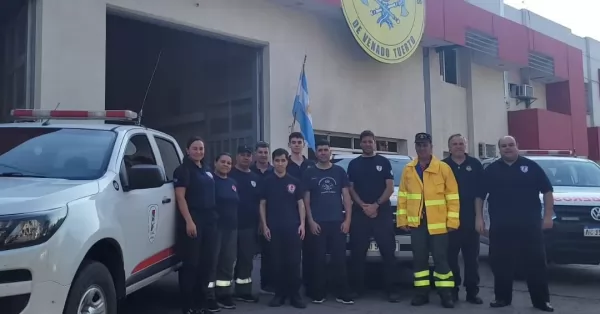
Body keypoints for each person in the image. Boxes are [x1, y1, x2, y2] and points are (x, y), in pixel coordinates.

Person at [475, 136, 554, 312]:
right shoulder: (492, 170)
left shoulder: (531, 167)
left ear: (517, 146)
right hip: (501, 226)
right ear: (499, 149)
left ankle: (541, 301)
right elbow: (480, 196)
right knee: (501, 263)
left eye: (511, 145)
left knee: (536, 263)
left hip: (530, 225)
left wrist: (548, 216)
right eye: (504, 146)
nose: (507, 148)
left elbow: (548, 191)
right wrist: (479, 218)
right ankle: (502, 298)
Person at [397, 132, 459, 308]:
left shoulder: (443, 168)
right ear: (415, 147)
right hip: (417, 224)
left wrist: (452, 221)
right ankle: (421, 293)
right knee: (419, 260)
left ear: (431, 147)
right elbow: (403, 196)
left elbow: (453, 197)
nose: (422, 148)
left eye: (425, 145)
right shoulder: (409, 169)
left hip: (439, 224)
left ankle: (445, 294)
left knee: (440, 259)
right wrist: (402, 220)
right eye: (419, 145)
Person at [347, 130, 399, 302]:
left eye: (371, 141)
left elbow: (390, 187)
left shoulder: (384, 162)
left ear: (374, 143)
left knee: (388, 252)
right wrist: (363, 205)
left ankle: (391, 290)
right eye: (365, 141)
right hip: (359, 213)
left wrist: (376, 205)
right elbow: (351, 188)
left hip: (381, 212)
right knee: (357, 253)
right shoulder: (354, 164)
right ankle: (356, 289)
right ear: (360, 144)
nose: (368, 144)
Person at [302, 140, 354, 305]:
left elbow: (346, 198)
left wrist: (347, 220)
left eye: (326, 150)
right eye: (320, 150)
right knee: (317, 260)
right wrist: (310, 221)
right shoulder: (309, 172)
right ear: (316, 153)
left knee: (339, 260)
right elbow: (306, 200)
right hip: (317, 223)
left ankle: (342, 293)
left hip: (337, 222)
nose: (323, 152)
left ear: (330, 152)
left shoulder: (339, 171)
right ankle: (318, 293)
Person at [174, 137, 218, 314]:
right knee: (191, 264)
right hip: (194, 219)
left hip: (210, 220)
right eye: (195, 148)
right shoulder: (182, 170)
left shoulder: (206, 169)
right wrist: (189, 221)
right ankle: (188, 306)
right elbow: (180, 197)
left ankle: (201, 304)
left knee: (206, 264)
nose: (199, 151)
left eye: (201, 148)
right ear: (187, 150)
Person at [259, 148, 307, 309]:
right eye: (277, 160)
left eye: (283, 160)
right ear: (273, 162)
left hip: (292, 228)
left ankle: (295, 295)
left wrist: (302, 224)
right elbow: (262, 204)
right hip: (273, 228)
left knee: (293, 262)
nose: (280, 163)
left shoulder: (294, 181)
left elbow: (301, 204)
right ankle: (279, 295)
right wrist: (264, 225)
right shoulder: (267, 181)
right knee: (276, 263)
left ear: (287, 161)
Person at [442, 134, 484, 304]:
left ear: (465, 145)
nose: (458, 146)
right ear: (449, 147)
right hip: (449, 221)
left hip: (470, 219)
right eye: (455, 144)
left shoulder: (475, 165)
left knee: (471, 259)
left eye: (461, 143)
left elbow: (479, 194)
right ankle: (453, 291)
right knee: (450, 258)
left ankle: (472, 292)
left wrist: (479, 218)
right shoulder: (442, 166)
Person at [206, 153, 239, 311]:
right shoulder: (210, 181)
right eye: (223, 162)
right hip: (215, 228)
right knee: (212, 262)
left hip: (231, 228)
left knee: (228, 262)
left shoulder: (232, 182)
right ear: (215, 163)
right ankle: (209, 296)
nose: (226, 165)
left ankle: (224, 294)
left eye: (229, 163)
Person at [229, 145, 261, 303]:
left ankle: (243, 291)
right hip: (229, 225)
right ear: (237, 156)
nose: (246, 158)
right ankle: (222, 292)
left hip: (249, 225)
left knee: (246, 260)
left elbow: (260, 203)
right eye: (242, 155)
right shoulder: (229, 174)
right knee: (226, 260)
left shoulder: (255, 177)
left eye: (248, 155)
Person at [286, 132, 316, 298]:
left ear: (303, 144)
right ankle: (292, 288)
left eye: (299, 142)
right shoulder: (285, 164)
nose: (297, 144)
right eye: (294, 142)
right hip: (290, 214)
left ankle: (310, 286)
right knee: (292, 255)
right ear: (289, 144)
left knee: (310, 253)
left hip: (310, 213)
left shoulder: (311, 164)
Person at [250, 141, 275, 295]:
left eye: (266, 152)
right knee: (246, 254)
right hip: (250, 218)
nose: (263, 155)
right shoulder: (249, 171)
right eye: (260, 152)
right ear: (255, 154)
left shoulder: (274, 171)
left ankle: (267, 285)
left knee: (269, 253)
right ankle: (242, 287)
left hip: (270, 217)